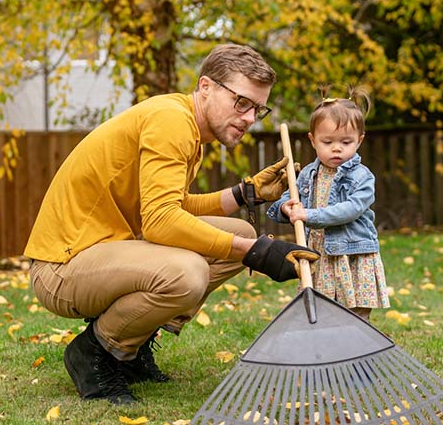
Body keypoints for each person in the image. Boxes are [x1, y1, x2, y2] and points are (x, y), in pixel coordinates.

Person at [23, 43, 319, 405]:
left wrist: (246, 194)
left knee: (239, 232)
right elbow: (161, 222)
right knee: (187, 272)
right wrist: (255, 252)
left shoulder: (186, 125)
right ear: (206, 86)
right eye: (242, 103)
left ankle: (130, 347)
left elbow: (173, 207)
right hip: (62, 268)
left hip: (103, 253)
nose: (249, 118)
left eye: (258, 108)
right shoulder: (171, 121)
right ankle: (93, 352)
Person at [268, 91, 389, 321]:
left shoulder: (362, 177)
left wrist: (308, 215)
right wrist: (286, 208)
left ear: (359, 140)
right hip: (320, 254)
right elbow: (288, 199)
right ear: (313, 140)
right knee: (322, 308)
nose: (336, 148)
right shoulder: (307, 174)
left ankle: (356, 345)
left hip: (351, 254)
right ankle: (329, 350)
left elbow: (350, 209)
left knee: (355, 310)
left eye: (346, 142)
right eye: (327, 142)